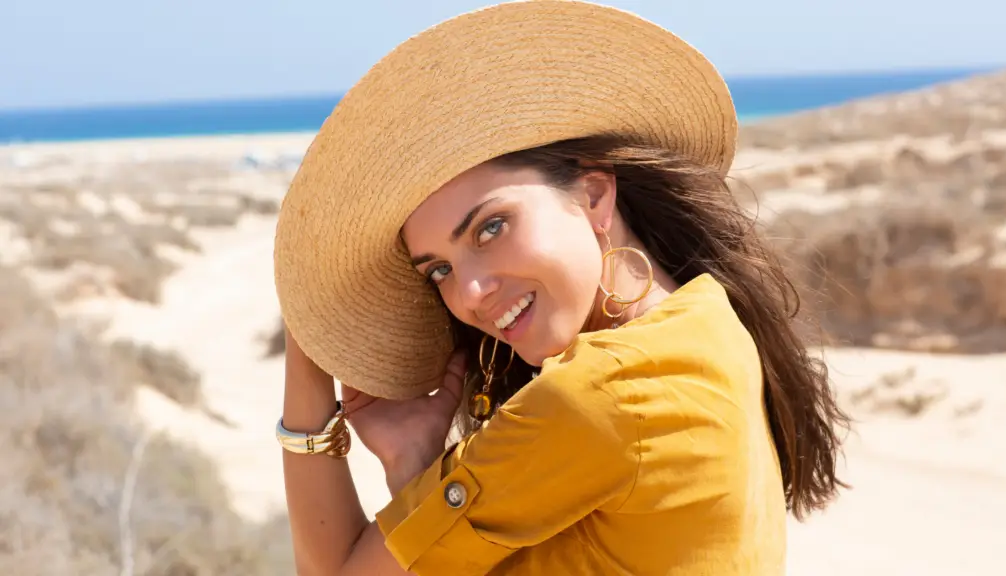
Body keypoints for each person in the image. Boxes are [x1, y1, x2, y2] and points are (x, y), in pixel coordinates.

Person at [272, 1, 849, 574]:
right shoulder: (707, 321)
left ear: (595, 196)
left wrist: (306, 372)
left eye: (490, 227)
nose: (469, 292)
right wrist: (415, 465)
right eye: (439, 270)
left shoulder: (597, 397)